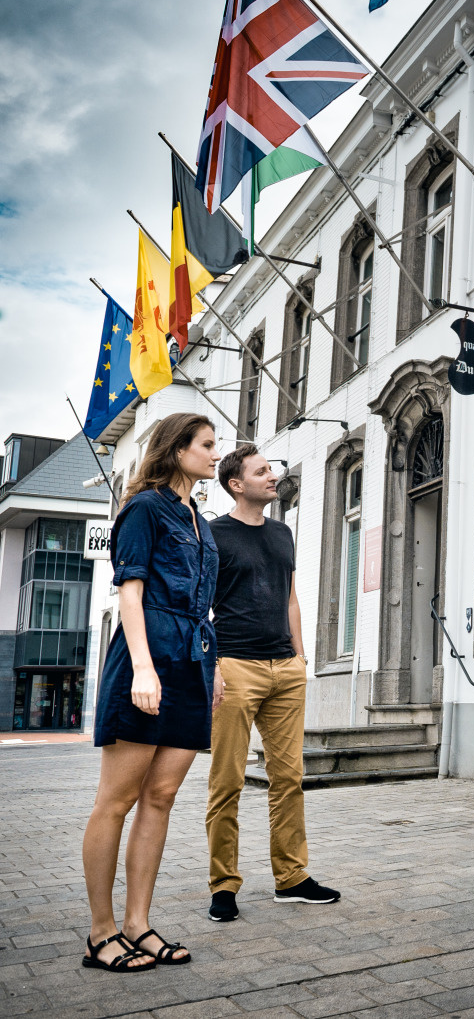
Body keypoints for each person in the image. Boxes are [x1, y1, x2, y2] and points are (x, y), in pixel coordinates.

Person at [81, 413, 221, 972]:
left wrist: (217, 668)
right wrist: (143, 667)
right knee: (116, 800)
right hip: (149, 658)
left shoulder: (198, 517)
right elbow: (130, 593)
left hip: (193, 663)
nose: (216, 455)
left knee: (160, 798)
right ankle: (101, 932)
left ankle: (138, 923)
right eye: (208, 445)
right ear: (177, 448)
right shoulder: (144, 507)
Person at [205, 445, 339, 922]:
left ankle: (292, 877)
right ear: (236, 484)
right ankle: (224, 885)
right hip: (235, 664)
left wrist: (300, 656)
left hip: (284, 669)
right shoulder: (213, 534)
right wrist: (214, 666)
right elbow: (200, 606)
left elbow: (290, 599)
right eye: (261, 471)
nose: (272, 476)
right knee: (227, 782)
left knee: (290, 780)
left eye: (272, 469)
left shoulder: (283, 533)